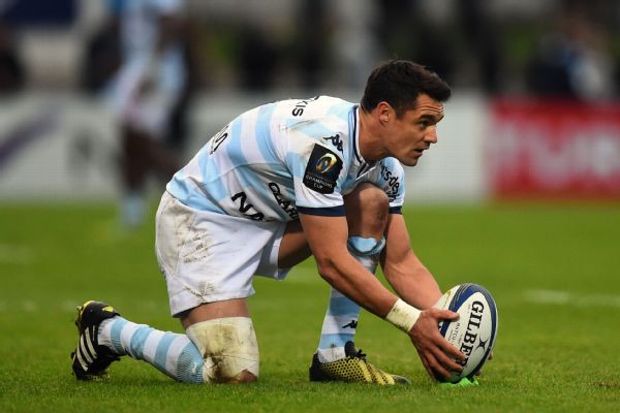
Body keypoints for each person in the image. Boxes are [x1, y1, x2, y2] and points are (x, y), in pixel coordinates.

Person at [71, 60, 467, 385]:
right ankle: (108, 331)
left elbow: (401, 262)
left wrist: (446, 327)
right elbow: (330, 263)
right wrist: (411, 322)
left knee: (370, 203)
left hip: (268, 223)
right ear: (384, 113)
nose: (432, 136)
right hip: (201, 219)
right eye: (424, 121)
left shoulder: (387, 170)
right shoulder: (324, 144)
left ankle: (335, 354)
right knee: (231, 373)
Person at [104, 0, 189, 228]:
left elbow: (171, 23)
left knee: (144, 142)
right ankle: (132, 209)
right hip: (137, 66)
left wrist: (153, 66)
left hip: (155, 73)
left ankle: (191, 194)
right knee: (131, 139)